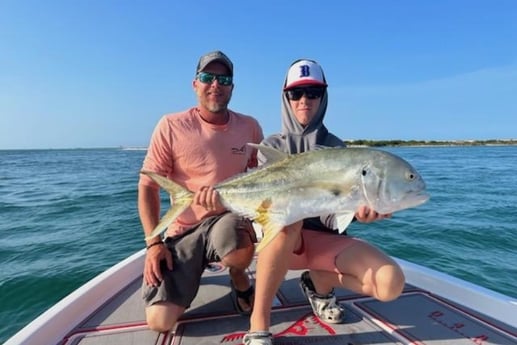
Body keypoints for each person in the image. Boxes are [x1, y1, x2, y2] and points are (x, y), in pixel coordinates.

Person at [244, 59, 405, 345]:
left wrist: (358, 214)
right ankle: (259, 323)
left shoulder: (336, 147)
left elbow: (336, 214)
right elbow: (266, 211)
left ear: (323, 96)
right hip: (284, 245)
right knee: (286, 222)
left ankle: (321, 280)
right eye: (296, 93)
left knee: (391, 283)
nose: (304, 100)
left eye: (313, 92)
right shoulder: (273, 147)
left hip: (325, 243)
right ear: (286, 98)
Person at [138, 50, 264, 333]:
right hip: (182, 228)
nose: (216, 85)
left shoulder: (251, 127)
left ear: (232, 86)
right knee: (160, 322)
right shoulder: (171, 125)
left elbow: (258, 176)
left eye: (224, 78)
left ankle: (239, 279)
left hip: (227, 217)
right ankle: (188, 269)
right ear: (195, 84)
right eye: (208, 77)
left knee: (239, 254)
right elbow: (148, 185)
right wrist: (153, 243)